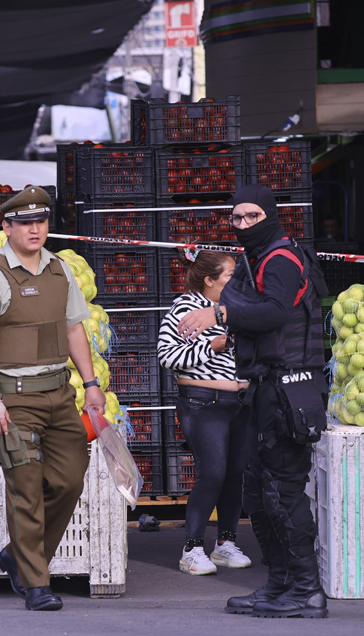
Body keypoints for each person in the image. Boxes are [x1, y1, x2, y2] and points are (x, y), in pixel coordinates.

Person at [176, 184, 329, 619]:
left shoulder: (280, 258)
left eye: (252, 216)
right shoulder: (256, 258)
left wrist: (220, 313)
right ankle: (280, 584)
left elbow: (276, 312)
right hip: (264, 388)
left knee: (283, 493)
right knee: (259, 495)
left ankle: (306, 591)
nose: (242, 224)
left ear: (270, 216)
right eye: (236, 217)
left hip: (289, 390)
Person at [0, 186, 105, 612]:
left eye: (40, 221)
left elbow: (75, 328)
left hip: (60, 393)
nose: (34, 229)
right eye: (24, 223)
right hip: (14, 399)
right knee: (26, 487)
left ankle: (17, 556)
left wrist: (91, 384)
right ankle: (36, 584)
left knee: (69, 479)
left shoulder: (60, 270)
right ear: (6, 228)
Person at [156, 250, 252, 576]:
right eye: (230, 276)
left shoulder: (237, 308)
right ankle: (192, 548)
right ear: (209, 280)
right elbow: (167, 356)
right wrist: (212, 346)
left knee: (235, 474)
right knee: (213, 472)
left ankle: (225, 543)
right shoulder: (185, 307)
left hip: (240, 404)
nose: (237, 282)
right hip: (203, 403)